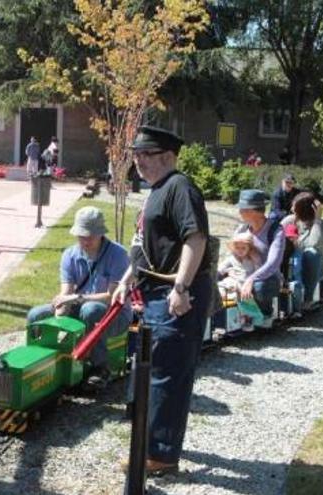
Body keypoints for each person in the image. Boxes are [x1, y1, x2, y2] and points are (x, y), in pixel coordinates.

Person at [111, 125, 212, 475]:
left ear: (167, 156)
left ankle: (161, 455)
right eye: (136, 155)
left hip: (175, 297)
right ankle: (153, 442)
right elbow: (143, 246)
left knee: (167, 376)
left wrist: (181, 288)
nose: (137, 161)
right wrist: (126, 279)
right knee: (151, 371)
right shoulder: (157, 189)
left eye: (145, 155)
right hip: (154, 293)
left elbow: (195, 239)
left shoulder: (180, 188)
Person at [27, 206, 132, 388]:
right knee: (36, 315)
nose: (84, 240)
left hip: (114, 315)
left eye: (89, 236)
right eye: (80, 236)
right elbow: (65, 293)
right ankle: (42, 365)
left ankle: (100, 368)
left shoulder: (118, 254)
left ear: (100, 234)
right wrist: (59, 321)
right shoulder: (70, 255)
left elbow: (111, 297)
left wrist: (76, 298)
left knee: (91, 310)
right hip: (80, 307)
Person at [235, 189, 285, 317]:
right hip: (243, 273)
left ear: (255, 212)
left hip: (269, 278)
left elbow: (273, 264)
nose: (240, 212)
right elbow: (233, 255)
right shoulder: (242, 228)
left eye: (243, 209)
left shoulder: (276, 231)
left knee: (259, 287)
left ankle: (265, 315)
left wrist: (251, 279)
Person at [281, 192, 323, 308]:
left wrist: (317, 219)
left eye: (295, 206)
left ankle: (308, 298)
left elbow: (313, 243)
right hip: (290, 262)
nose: (292, 209)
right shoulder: (289, 220)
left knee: (312, 253)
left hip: (313, 266)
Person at [217, 232, 261, 300]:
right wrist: (223, 271)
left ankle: (233, 300)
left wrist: (256, 260)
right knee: (220, 286)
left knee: (242, 295)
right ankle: (222, 298)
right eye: (237, 248)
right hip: (233, 280)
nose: (240, 250)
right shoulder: (232, 258)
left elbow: (258, 271)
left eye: (243, 248)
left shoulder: (252, 259)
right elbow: (222, 267)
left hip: (245, 283)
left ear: (249, 248)